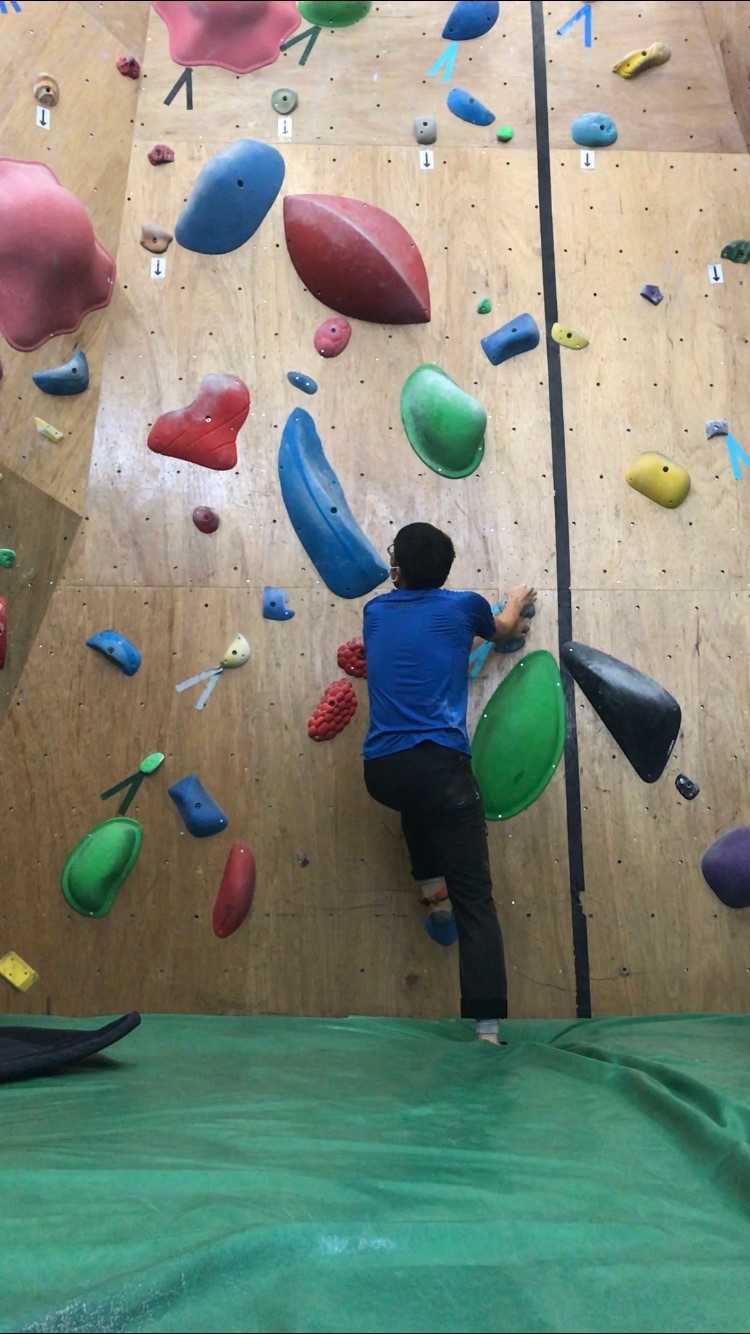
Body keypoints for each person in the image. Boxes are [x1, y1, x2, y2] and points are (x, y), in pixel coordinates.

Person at [362, 523, 536, 1045]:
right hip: (441, 770)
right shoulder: (465, 607)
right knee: (475, 900)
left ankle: (427, 880)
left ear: (397, 568)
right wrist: (516, 599)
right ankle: (486, 1027)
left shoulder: (375, 611)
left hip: (382, 772)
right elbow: (502, 630)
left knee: (417, 796)